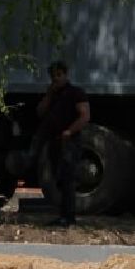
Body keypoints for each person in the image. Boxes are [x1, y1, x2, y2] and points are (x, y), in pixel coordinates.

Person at [35, 60, 89, 226]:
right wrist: (49, 95)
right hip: (54, 141)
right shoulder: (53, 94)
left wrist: (70, 131)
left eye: (59, 75)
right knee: (58, 178)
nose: (56, 79)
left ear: (65, 75)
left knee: (68, 178)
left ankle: (69, 217)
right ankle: (62, 214)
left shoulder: (75, 93)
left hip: (69, 141)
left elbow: (84, 116)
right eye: (53, 76)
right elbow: (40, 112)